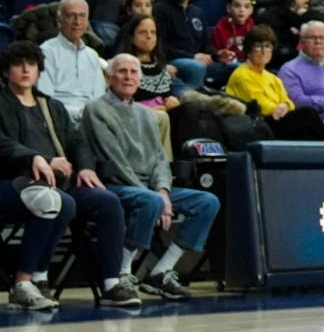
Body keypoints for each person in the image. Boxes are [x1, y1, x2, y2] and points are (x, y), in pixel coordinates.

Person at [78, 54, 222, 300]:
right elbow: (116, 162)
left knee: (207, 202)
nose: (128, 77)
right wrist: (155, 197)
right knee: (150, 202)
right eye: (122, 71)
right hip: (115, 186)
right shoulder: (96, 110)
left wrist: (163, 191)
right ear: (108, 77)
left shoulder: (147, 114)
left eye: (133, 72)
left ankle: (161, 271)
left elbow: (159, 159)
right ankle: (122, 273)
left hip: (150, 190)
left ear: (140, 80)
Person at [0, 41, 132, 309]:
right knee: (62, 203)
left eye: (32, 64)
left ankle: (111, 283)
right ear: (5, 71)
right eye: (18, 64)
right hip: (12, 182)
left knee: (107, 202)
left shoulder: (51, 106)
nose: (26, 69)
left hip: (57, 185)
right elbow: (2, 143)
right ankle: (32, 278)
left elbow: (78, 142)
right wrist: (40, 158)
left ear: (39, 70)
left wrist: (84, 166)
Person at [224, 27, 324, 139]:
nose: (263, 51)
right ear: (248, 50)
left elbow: (289, 102)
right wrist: (281, 108)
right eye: (258, 46)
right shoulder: (242, 74)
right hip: (258, 124)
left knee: (306, 131)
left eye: (267, 46)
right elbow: (259, 106)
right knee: (307, 114)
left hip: (278, 118)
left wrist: (285, 106)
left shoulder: (272, 77)